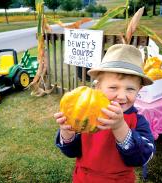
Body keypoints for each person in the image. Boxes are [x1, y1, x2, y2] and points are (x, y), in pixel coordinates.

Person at [54, 44, 156, 183]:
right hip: (83, 178)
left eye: (130, 89)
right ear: (98, 88)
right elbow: (72, 152)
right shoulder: (87, 116)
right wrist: (67, 133)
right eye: (113, 87)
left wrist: (120, 127)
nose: (121, 96)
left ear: (139, 89)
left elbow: (142, 157)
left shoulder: (138, 121)